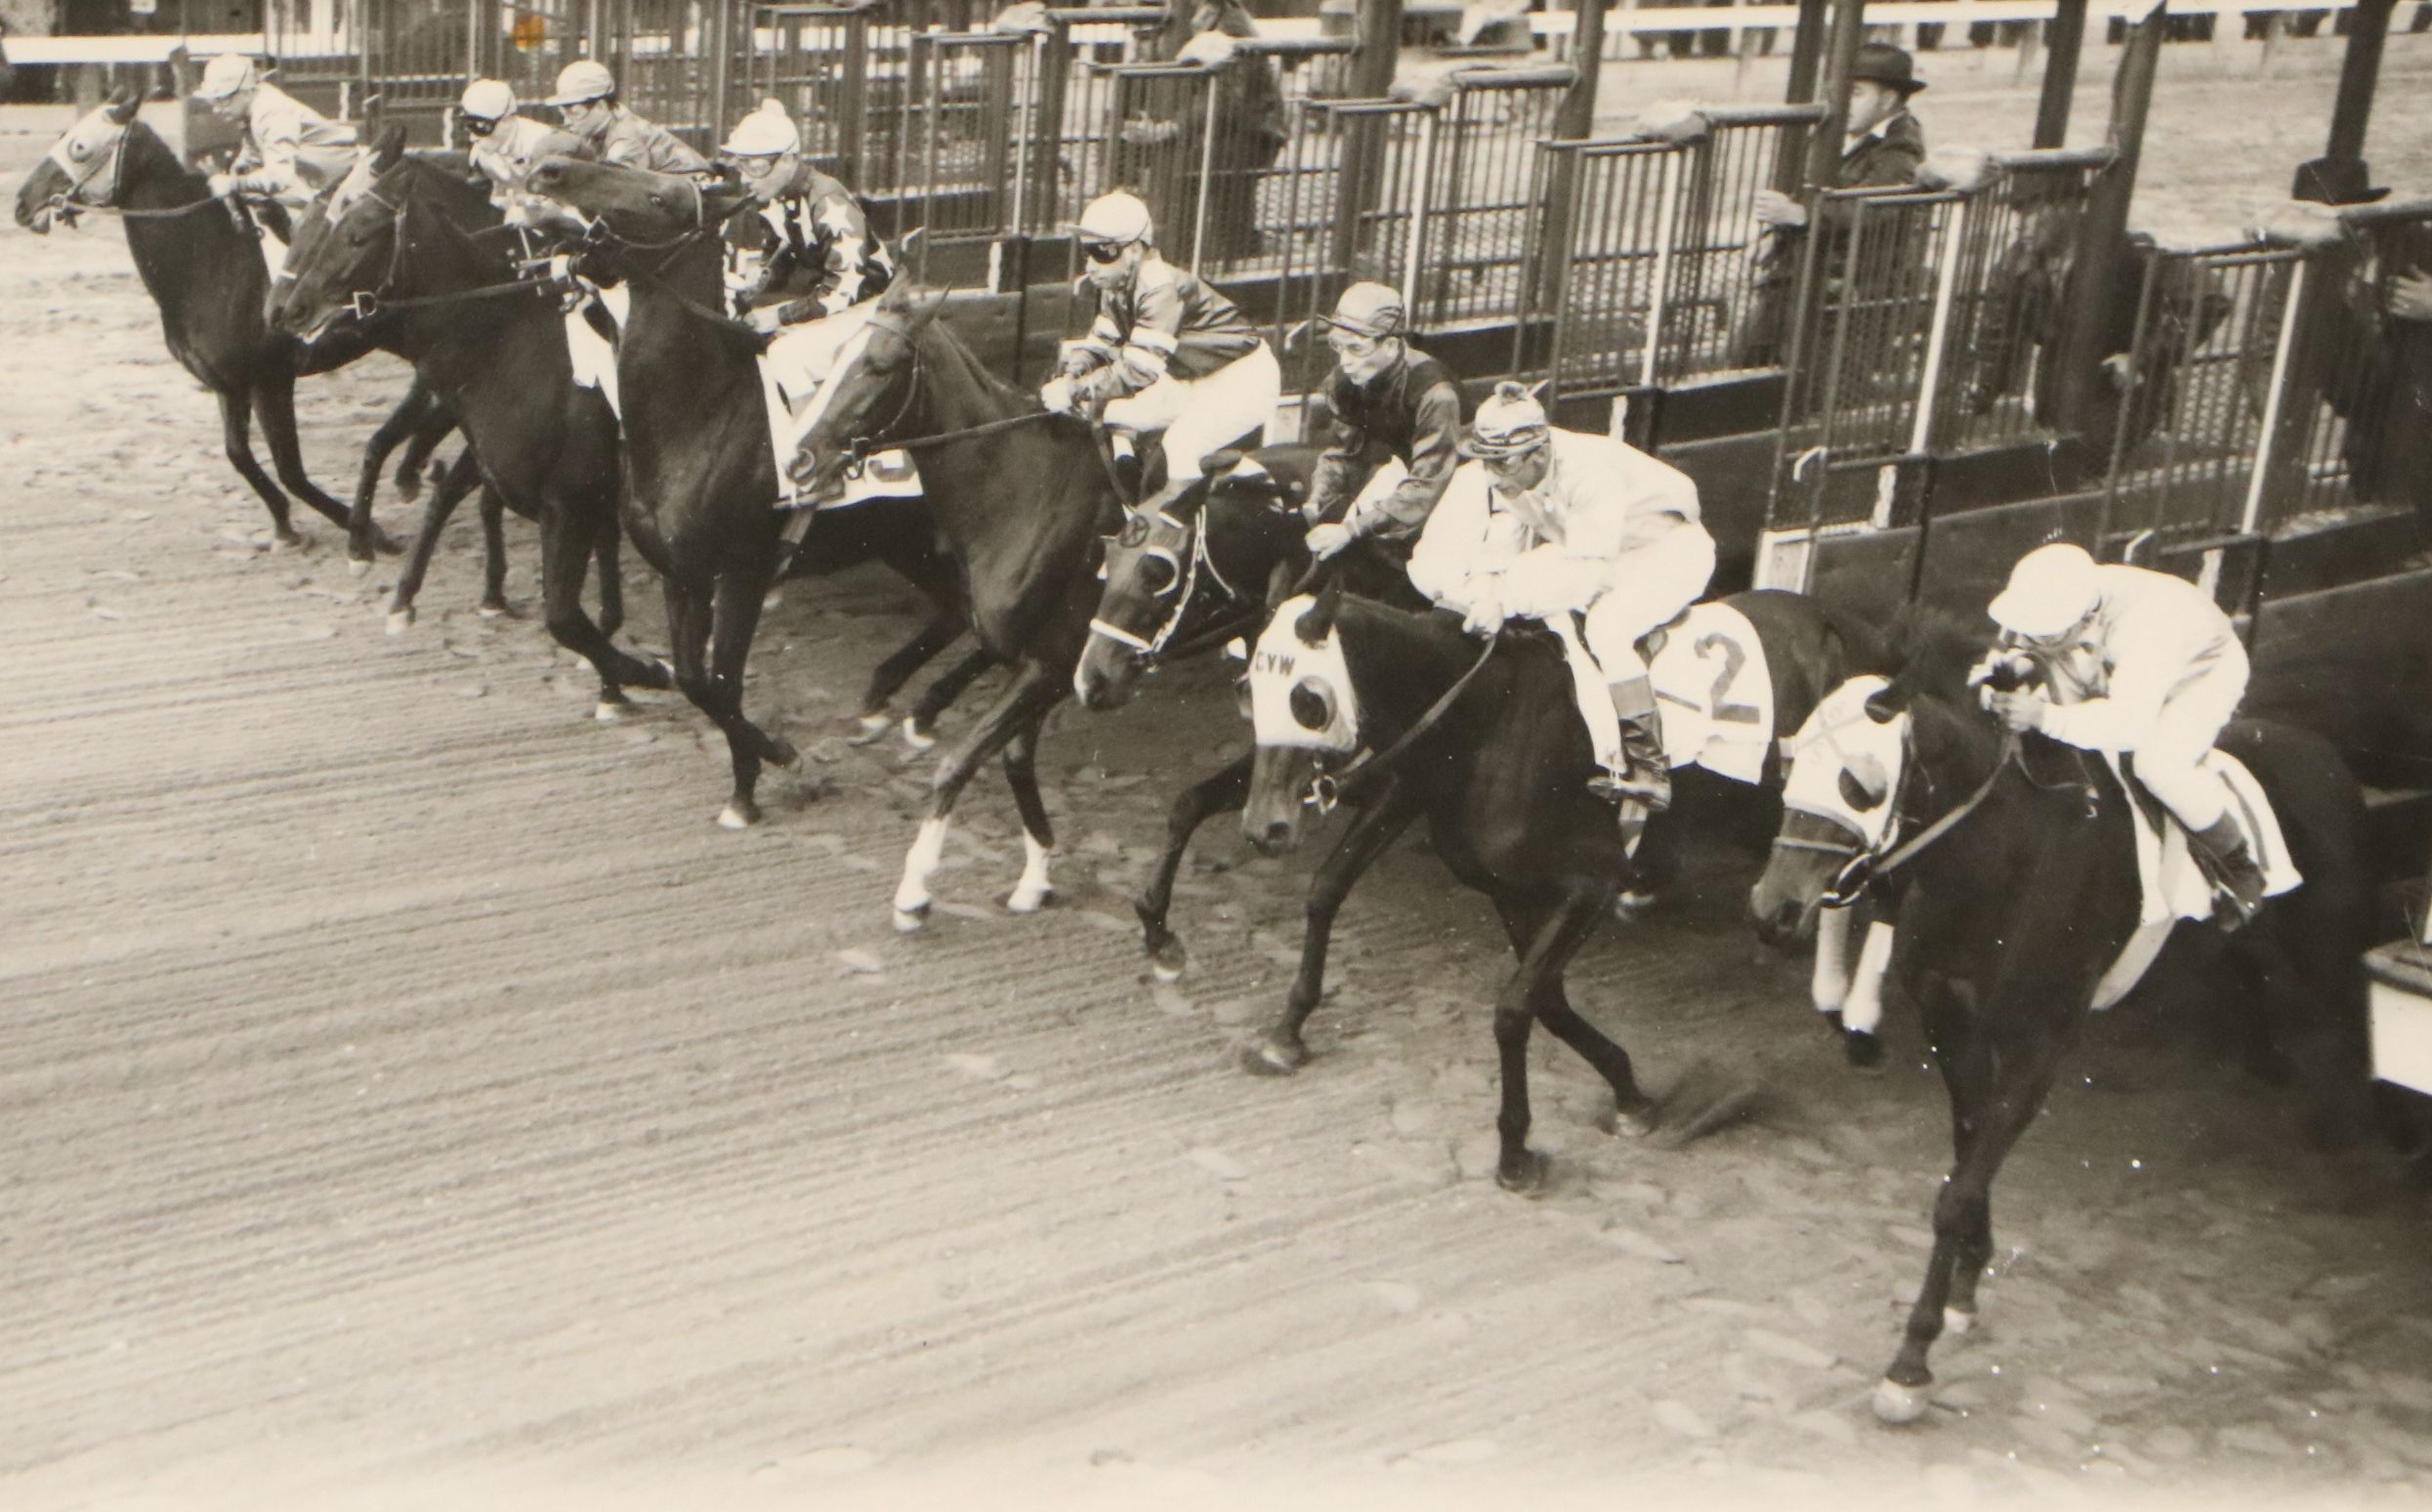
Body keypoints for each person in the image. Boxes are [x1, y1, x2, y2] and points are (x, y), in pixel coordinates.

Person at [1406, 383, 1714, 810]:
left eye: (1501, 462)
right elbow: (1501, 551)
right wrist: (1483, 593)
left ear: (1539, 451)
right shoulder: (1509, 478)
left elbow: (1589, 573)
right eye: (1485, 461)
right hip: (1603, 552)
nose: (1491, 475)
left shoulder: (1590, 472)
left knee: (1607, 627)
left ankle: (1650, 768)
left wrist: (1506, 602)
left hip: (1667, 552)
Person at [1978, 541, 2267, 927]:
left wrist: (2044, 716)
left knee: (2157, 764)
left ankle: (2240, 868)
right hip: (2119, 660)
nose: (2030, 640)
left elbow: (2129, 727)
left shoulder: (2145, 628)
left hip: (2202, 672)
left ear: (2083, 618)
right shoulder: (2062, 597)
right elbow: (2013, 648)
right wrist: (1991, 682)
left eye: (2043, 633)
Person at [1041, 190, 1281, 515]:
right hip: (1196, 376)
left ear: (1135, 250)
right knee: (1105, 412)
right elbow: (1100, 346)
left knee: (1181, 446)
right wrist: (1072, 375)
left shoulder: (1159, 289)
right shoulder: (1118, 288)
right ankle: (1132, 484)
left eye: (1102, 253)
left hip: (1243, 380)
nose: (1091, 265)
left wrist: (1074, 389)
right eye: (1087, 252)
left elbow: (1139, 371)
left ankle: (1176, 540)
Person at [1733, 41, 1928, 367]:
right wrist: (1778, 233)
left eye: (1856, 93)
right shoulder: (1839, 133)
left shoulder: (1899, 147)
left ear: (1889, 99)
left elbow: (1876, 207)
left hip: (1854, 286)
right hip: (1809, 273)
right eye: (1837, 92)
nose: (1843, 103)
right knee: (1749, 354)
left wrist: (1803, 215)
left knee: (1803, 371)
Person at [717, 100, 897, 403]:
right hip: (835, 302)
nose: (746, 177)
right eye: (740, 165)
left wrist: (780, 316)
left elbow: (844, 290)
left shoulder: (827, 202)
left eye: (757, 166)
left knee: (785, 355)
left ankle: (815, 447)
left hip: (876, 307)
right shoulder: (775, 197)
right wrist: (754, 289)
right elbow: (778, 254)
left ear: (790, 159)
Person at [1301, 281, 1466, 565]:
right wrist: (1316, 499)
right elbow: (1343, 452)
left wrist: (1352, 529)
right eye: (1338, 347)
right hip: (1409, 466)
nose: (1345, 362)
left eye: (1355, 348)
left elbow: (1428, 483)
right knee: (1351, 536)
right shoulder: (1347, 380)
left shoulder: (1435, 393)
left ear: (1390, 345)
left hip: (1464, 477)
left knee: (1429, 570)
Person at [193, 53, 357, 216]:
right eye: (213, 101)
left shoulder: (271, 112)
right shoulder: (251, 108)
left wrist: (233, 183)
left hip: (344, 187)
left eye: (223, 99)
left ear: (246, 92)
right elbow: (254, 155)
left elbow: (280, 177)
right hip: (316, 181)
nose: (216, 108)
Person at [541, 59, 706, 175]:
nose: (567, 122)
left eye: (575, 113)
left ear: (600, 106)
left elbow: (618, 195)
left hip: (695, 199)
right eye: (564, 114)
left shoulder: (624, 140)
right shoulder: (605, 126)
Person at [457, 77, 558, 218]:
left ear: (507, 120)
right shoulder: (480, 154)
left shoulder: (542, 142)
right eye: (469, 126)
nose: (473, 137)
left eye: (480, 127)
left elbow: (562, 203)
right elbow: (476, 202)